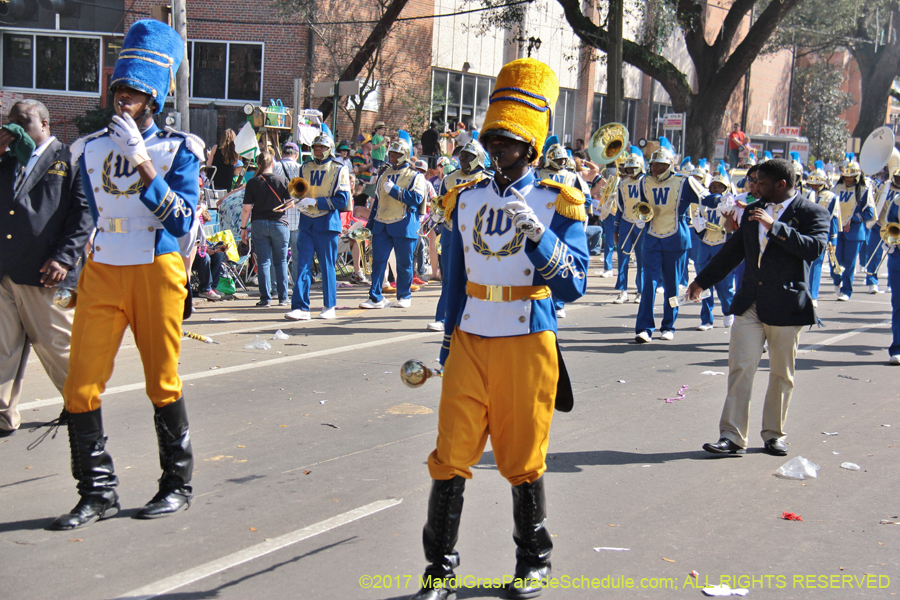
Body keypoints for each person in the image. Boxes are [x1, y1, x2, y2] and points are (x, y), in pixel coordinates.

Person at [410, 58, 588, 600]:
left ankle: (533, 562)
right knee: (450, 455)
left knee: (521, 455)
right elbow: (456, 283)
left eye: (509, 144)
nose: (498, 153)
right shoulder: (464, 198)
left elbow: (574, 285)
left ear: (531, 150)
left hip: (527, 338)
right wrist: (445, 346)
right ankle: (438, 571)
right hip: (469, 337)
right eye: (493, 143)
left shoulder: (558, 201)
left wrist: (542, 238)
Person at [50, 20, 202, 530]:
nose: (123, 103)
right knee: (79, 386)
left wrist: (143, 164)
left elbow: (181, 220)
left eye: (135, 95)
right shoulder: (88, 149)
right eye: (120, 92)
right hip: (103, 269)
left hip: (156, 268)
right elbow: (82, 215)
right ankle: (96, 492)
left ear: (154, 100)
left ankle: (176, 485)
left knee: (162, 382)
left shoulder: (179, 149)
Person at [688, 158, 828, 456]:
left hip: (786, 305)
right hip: (750, 302)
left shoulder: (812, 212)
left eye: (761, 182)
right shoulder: (752, 211)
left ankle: (773, 435)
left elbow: (813, 249)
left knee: (781, 373)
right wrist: (702, 281)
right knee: (741, 367)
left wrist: (773, 226)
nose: (754, 187)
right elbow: (732, 252)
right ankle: (732, 436)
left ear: (782, 184)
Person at [0, 100, 92, 438]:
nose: (16, 129)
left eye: (23, 122)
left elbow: (84, 215)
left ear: (45, 124)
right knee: (3, 348)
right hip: (6, 270)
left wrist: (64, 257)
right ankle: (3, 415)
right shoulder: (6, 161)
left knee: (57, 346)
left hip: (49, 273)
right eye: (10, 123)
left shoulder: (68, 161)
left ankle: (81, 406)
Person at [634, 137, 708, 343]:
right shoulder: (644, 181)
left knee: (672, 285)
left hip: (676, 238)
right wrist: (641, 219)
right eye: (653, 164)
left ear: (668, 166)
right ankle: (644, 328)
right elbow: (642, 205)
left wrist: (724, 201)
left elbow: (706, 197)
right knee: (648, 283)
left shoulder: (684, 181)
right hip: (651, 237)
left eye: (659, 165)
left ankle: (669, 325)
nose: (655, 168)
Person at [427, 140, 491, 331]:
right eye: (462, 155)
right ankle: (443, 317)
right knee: (449, 277)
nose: (462, 159)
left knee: (477, 277)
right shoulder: (449, 178)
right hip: (451, 230)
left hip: (476, 234)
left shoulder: (488, 178)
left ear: (478, 158)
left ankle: (477, 316)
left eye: (467, 156)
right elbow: (441, 202)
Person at [285, 133, 350, 321]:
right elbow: (298, 190)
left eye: (322, 147)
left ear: (329, 148)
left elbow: (343, 199)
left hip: (327, 222)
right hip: (306, 221)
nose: (318, 150)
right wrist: (298, 201)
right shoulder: (304, 167)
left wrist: (316, 202)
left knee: (327, 266)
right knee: (302, 264)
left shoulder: (339, 169)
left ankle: (329, 305)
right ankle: (300, 307)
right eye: (316, 147)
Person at [359, 136, 425, 310]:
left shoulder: (415, 175)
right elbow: (377, 201)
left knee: (404, 263)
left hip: (403, 222)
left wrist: (395, 191)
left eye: (396, 154)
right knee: (378, 261)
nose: (392, 157)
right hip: (381, 222)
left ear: (404, 155)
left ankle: (404, 295)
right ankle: (375, 297)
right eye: (391, 153)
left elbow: (417, 199)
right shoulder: (384, 174)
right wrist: (369, 225)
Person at [240, 150, 291, 307]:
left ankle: (265, 298)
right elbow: (290, 203)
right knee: (281, 261)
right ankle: (283, 298)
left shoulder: (253, 182)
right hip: (279, 224)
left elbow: (247, 208)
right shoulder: (283, 180)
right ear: (273, 163)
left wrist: (243, 228)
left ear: (258, 164)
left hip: (259, 223)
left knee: (263, 262)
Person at [691, 165, 736, 330]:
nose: (716, 189)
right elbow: (698, 226)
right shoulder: (703, 203)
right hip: (705, 246)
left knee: (725, 286)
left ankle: (728, 312)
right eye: (713, 187)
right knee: (703, 285)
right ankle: (706, 320)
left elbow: (733, 228)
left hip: (722, 246)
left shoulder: (731, 204)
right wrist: (698, 225)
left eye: (720, 187)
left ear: (726, 188)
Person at [831, 153, 875, 301]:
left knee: (849, 263)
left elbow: (869, 212)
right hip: (837, 230)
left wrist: (854, 219)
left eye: (851, 176)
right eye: (846, 176)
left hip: (854, 232)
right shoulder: (835, 188)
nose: (848, 179)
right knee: (834, 262)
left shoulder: (864, 190)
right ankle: (837, 282)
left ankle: (846, 290)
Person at [612, 146, 647, 304]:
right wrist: (616, 229)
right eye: (628, 168)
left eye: (634, 168)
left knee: (642, 258)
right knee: (622, 257)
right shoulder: (622, 184)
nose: (631, 171)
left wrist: (646, 220)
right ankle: (622, 290)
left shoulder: (647, 182)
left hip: (642, 224)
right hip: (626, 222)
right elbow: (619, 206)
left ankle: (640, 291)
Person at [806, 161, 840, 306]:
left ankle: (813, 295)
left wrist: (833, 240)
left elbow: (834, 219)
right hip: (806, 233)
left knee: (817, 264)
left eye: (817, 184)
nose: (814, 187)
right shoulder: (805, 194)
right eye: (812, 184)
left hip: (821, 234)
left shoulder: (831, 197)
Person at [877, 167, 900, 364]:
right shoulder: (897, 201)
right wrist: (890, 242)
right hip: (899, 258)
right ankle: (898, 348)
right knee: (899, 305)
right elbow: (890, 227)